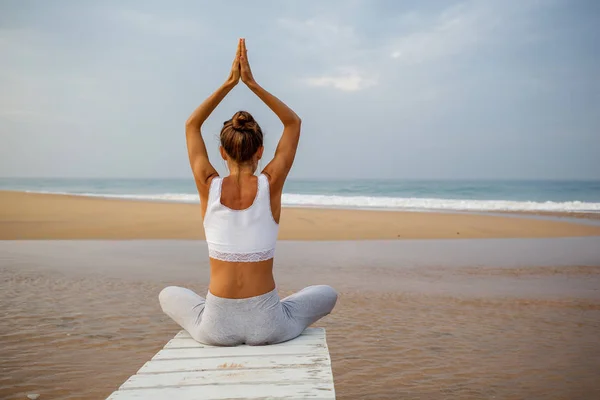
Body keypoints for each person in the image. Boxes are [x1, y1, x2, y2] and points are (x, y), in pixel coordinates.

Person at [158, 38, 338, 346]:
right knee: (327, 294)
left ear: (222, 153)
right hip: (268, 326)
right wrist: (252, 84)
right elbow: (293, 123)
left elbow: (192, 125)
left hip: (215, 327)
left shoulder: (208, 185)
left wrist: (230, 83)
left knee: (167, 295)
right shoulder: (271, 185)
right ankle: (277, 310)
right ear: (261, 152)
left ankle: (210, 313)